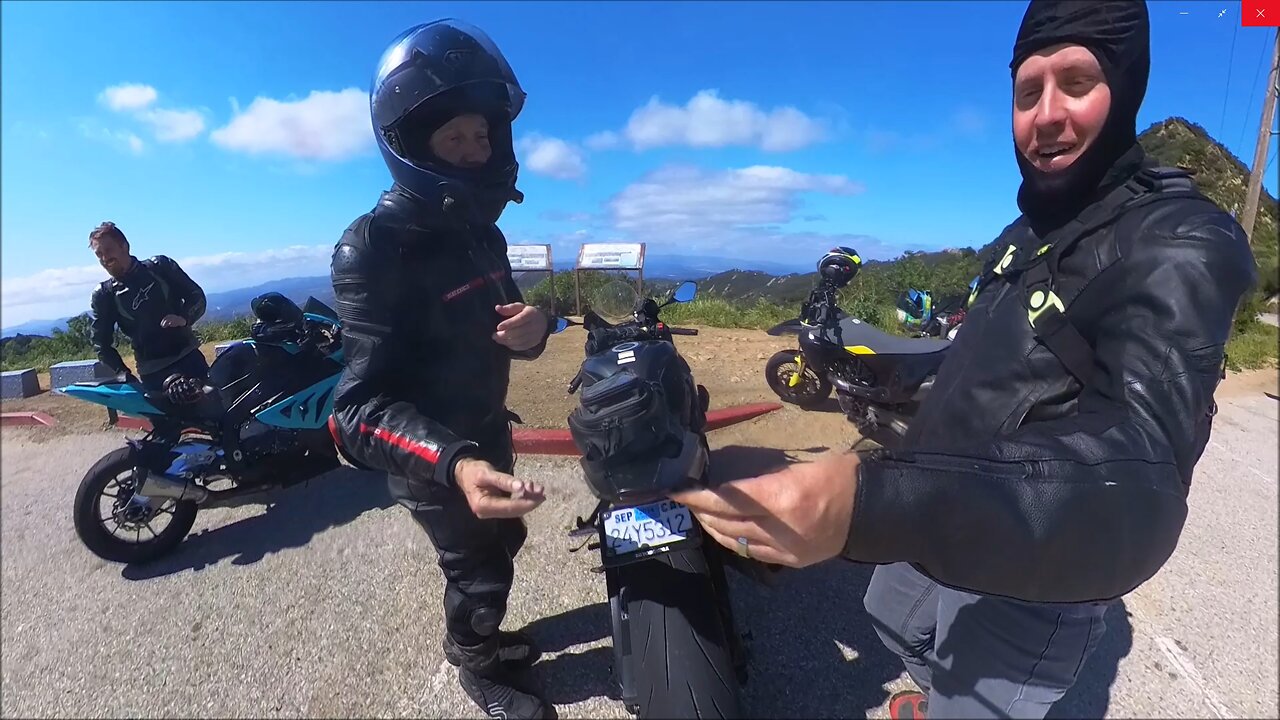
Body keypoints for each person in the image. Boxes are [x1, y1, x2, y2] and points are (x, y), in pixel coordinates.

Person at [671, 1, 1257, 718]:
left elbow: (1144, 472)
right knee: (893, 617)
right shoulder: (1031, 230)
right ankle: (938, 690)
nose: (1045, 115)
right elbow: (979, 357)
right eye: (1026, 91)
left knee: (971, 702)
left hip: (1046, 566)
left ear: (1127, 89)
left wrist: (867, 502)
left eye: (1076, 83)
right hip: (951, 499)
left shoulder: (1179, 239)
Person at [328, 19, 556, 720]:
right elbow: (354, 412)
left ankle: (479, 639)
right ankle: (477, 667)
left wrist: (538, 328)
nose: (472, 153)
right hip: (430, 455)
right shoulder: (372, 248)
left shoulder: (483, 232)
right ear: (412, 144)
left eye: (481, 137)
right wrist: (452, 463)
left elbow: (510, 324)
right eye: (453, 138)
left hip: (488, 427)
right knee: (479, 571)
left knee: (506, 538)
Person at [88, 221, 210, 394]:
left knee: (213, 411)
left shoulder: (160, 267)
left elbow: (197, 296)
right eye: (99, 254)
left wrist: (184, 318)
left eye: (108, 250)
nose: (105, 258)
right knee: (171, 421)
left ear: (125, 246)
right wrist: (124, 375)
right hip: (153, 372)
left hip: (188, 358)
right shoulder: (104, 295)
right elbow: (101, 344)